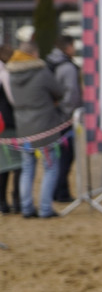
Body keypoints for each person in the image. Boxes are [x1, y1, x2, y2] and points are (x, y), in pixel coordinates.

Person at [9, 26, 68, 218]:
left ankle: (26, 208)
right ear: (34, 54)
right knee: (50, 166)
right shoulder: (41, 72)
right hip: (45, 126)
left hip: (23, 126)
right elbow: (58, 91)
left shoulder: (10, 74)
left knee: (27, 167)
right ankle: (45, 208)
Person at [46, 35, 81, 203]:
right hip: (65, 119)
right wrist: (68, 114)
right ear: (67, 48)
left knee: (57, 157)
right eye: (73, 46)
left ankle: (57, 190)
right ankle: (61, 192)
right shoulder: (67, 67)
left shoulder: (50, 63)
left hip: (52, 117)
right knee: (66, 157)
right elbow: (71, 93)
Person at [0, 43, 21, 214]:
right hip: (9, 123)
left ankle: (2, 202)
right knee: (18, 164)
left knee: (3, 164)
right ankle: (17, 200)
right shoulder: (5, 73)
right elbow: (13, 99)